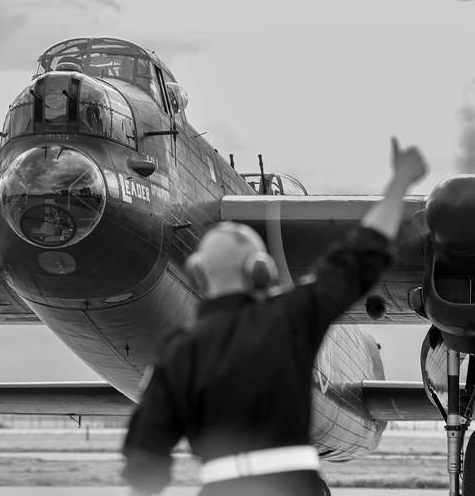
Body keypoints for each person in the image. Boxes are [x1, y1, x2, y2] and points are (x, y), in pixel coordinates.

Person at [121, 137, 428, 496]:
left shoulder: (177, 355)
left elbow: (144, 459)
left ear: (198, 273)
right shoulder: (289, 319)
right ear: (260, 271)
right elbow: (359, 258)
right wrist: (401, 182)